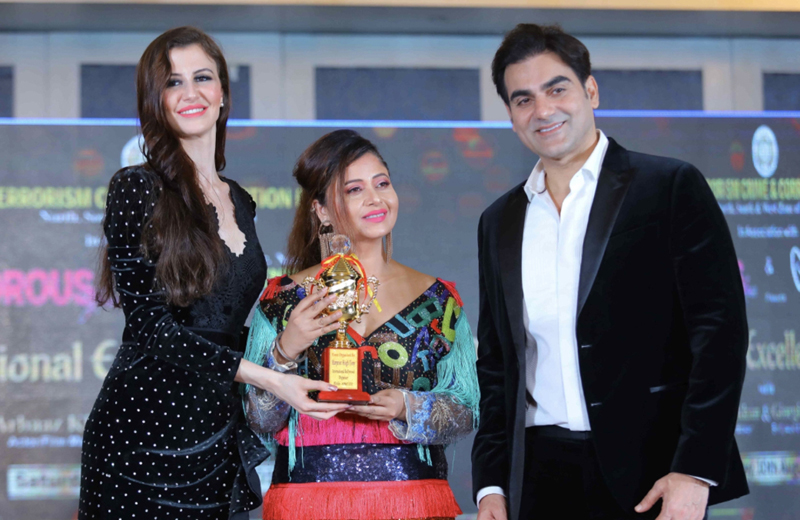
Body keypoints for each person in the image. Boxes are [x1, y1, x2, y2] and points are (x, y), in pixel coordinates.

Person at [471, 24, 749, 520]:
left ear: (591, 91)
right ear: (511, 116)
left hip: (653, 476)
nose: (543, 110)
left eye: (557, 89)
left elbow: (720, 336)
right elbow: (496, 365)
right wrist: (491, 483)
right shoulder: (499, 221)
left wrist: (695, 470)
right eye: (523, 99)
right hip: (537, 478)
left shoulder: (668, 187)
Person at [79, 26, 347, 520]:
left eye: (202, 77)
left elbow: (227, 320)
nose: (191, 93)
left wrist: (290, 343)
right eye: (173, 82)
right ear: (156, 101)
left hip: (216, 430)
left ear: (222, 92)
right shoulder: (136, 187)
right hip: (140, 435)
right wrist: (271, 379)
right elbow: (152, 330)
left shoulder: (241, 200)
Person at [243, 129, 480, 520]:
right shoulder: (284, 298)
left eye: (382, 183)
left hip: (413, 504)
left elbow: (467, 411)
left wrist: (407, 407)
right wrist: (285, 350)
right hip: (307, 507)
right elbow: (261, 419)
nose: (375, 199)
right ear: (321, 210)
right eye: (354, 190)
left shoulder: (439, 300)